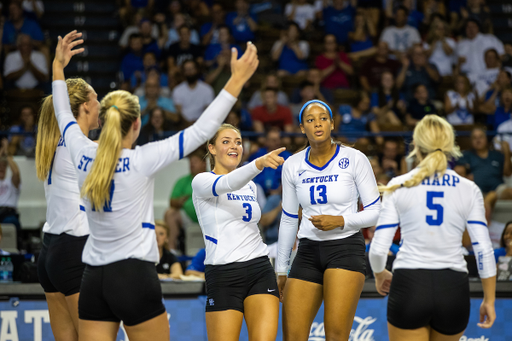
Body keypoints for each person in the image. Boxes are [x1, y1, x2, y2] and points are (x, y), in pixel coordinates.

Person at [51, 30, 259, 340]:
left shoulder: (80, 151)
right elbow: (202, 131)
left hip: (94, 276)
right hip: (134, 275)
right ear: (137, 124)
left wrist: (58, 67)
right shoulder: (142, 159)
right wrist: (236, 81)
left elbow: (62, 112)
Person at [369, 115, 496, 340]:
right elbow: (484, 250)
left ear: (416, 145)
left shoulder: (399, 184)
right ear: (450, 145)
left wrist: (380, 275)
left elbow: (378, 250)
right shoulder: (469, 189)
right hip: (453, 288)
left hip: (409, 285)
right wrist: (489, 299)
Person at [277, 100, 381, 340]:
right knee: (292, 335)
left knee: (335, 335)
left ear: (332, 124)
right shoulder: (292, 164)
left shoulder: (355, 158)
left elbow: (376, 212)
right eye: (310, 120)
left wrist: (341, 221)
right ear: (302, 128)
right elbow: (290, 218)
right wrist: (281, 267)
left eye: (323, 118)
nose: (317, 124)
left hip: (344, 247)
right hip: (307, 251)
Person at [192, 123, 285, 341]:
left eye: (238, 142)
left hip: (259, 269)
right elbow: (227, 183)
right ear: (212, 148)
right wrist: (259, 163)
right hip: (224, 273)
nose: (234, 146)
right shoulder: (201, 181)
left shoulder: (251, 186)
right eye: (226, 142)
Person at [35, 76, 99, 341]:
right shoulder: (85, 148)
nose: (100, 105)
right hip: (75, 249)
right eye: (96, 98)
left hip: (50, 250)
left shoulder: (54, 144)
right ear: (84, 106)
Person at [164, 150, 205, 254]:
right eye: (190, 161)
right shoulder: (183, 181)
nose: (191, 164)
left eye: (195, 161)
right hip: (188, 217)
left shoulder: (211, 177)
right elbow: (172, 202)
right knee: (170, 213)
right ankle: (172, 251)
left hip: (208, 216)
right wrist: (180, 201)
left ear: (204, 163)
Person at [248, 128, 292, 196]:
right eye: (274, 140)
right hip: (258, 192)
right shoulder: (258, 154)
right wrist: (249, 153)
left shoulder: (287, 156)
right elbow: (245, 169)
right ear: (267, 141)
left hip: (279, 195)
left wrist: (278, 191)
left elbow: (290, 178)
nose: (277, 142)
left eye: (278, 139)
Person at [172, 59, 215, 125]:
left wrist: (197, 124)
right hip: (183, 125)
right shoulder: (177, 90)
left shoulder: (207, 89)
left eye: (191, 69)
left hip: (203, 124)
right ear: (183, 72)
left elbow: (209, 111)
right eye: (187, 70)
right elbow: (179, 112)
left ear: (197, 70)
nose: (189, 72)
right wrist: (188, 124)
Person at [0, 140, 21, 233]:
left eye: (4, 166)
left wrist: (7, 153)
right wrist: (2, 149)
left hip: (9, 214)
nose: (1, 167)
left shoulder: (11, 182)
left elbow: (16, 172)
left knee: (9, 222)